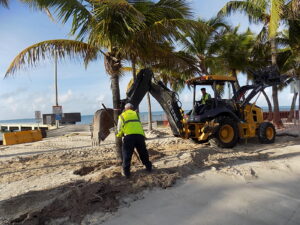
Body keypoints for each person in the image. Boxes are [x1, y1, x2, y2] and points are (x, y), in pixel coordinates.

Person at [116, 103, 152, 178]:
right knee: (143, 152)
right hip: (140, 136)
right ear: (132, 108)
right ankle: (148, 167)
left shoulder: (122, 116)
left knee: (127, 155)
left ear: (125, 109)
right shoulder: (136, 114)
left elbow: (119, 128)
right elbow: (137, 124)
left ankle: (126, 173)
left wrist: (120, 134)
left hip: (129, 137)